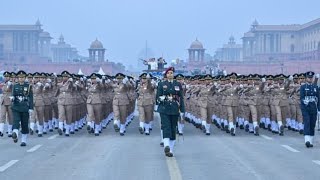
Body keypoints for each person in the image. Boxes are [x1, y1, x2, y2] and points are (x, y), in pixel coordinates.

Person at [156, 67, 185, 157]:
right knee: (166, 126)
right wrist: (164, 98)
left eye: (171, 73)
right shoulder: (161, 84)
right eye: (168, 73)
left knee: (173, 128)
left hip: (175, 109)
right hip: (164, 108)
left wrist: (182, 110)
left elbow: (181, 98)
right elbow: (157, 97)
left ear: (173, 74)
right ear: (166, 75)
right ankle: (166, 145)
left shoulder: (178, 84)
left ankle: (171, 150)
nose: (170, 75)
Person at [11, 70, 33, 146]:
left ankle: (23, 140)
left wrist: (31, 108)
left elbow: (31, 98)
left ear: (25, 78)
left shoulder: (28, 86)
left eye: (22, 77)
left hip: (24, 107)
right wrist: (12, 98)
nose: (21, 79)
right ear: (18, 78)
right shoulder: (15, 86)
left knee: (24, 123)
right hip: (16, 107)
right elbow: (13, 95)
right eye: (20, 77)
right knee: (16, 121)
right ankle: (15, 134)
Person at [300, 71, 319, 148]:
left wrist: (319, 109)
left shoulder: (315, 87)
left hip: (313, 108)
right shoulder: (303, 87)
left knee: (312, 124)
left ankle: (310, 141)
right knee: (307, 122)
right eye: (308, 78)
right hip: (306, 108)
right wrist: (305, 102)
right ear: (306, 78)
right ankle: (307, 140)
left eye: (311, 78)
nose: (310, 79)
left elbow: (318, 98)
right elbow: (301, 97)